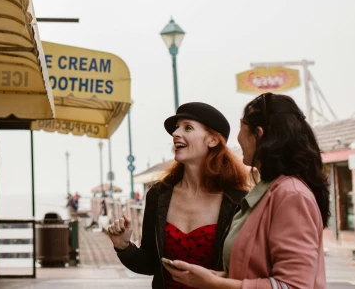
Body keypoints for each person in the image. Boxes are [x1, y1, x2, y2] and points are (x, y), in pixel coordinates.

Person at [163, 93, 329, 289]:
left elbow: (294, 286)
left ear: (258, 135)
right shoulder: (269, 191)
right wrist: (219, 276)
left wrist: (215, 283)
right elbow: (257, 270)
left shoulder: (291, 195)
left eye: (241, 129)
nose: (238, 139)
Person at [107, 102, 249, 289]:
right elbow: (150, 264)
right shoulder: (158, 195)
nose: (175, 134)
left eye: (187, 127)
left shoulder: (238, 200)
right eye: (176, 128)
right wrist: (123, 246)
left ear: (212, 140)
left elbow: (250, 269)